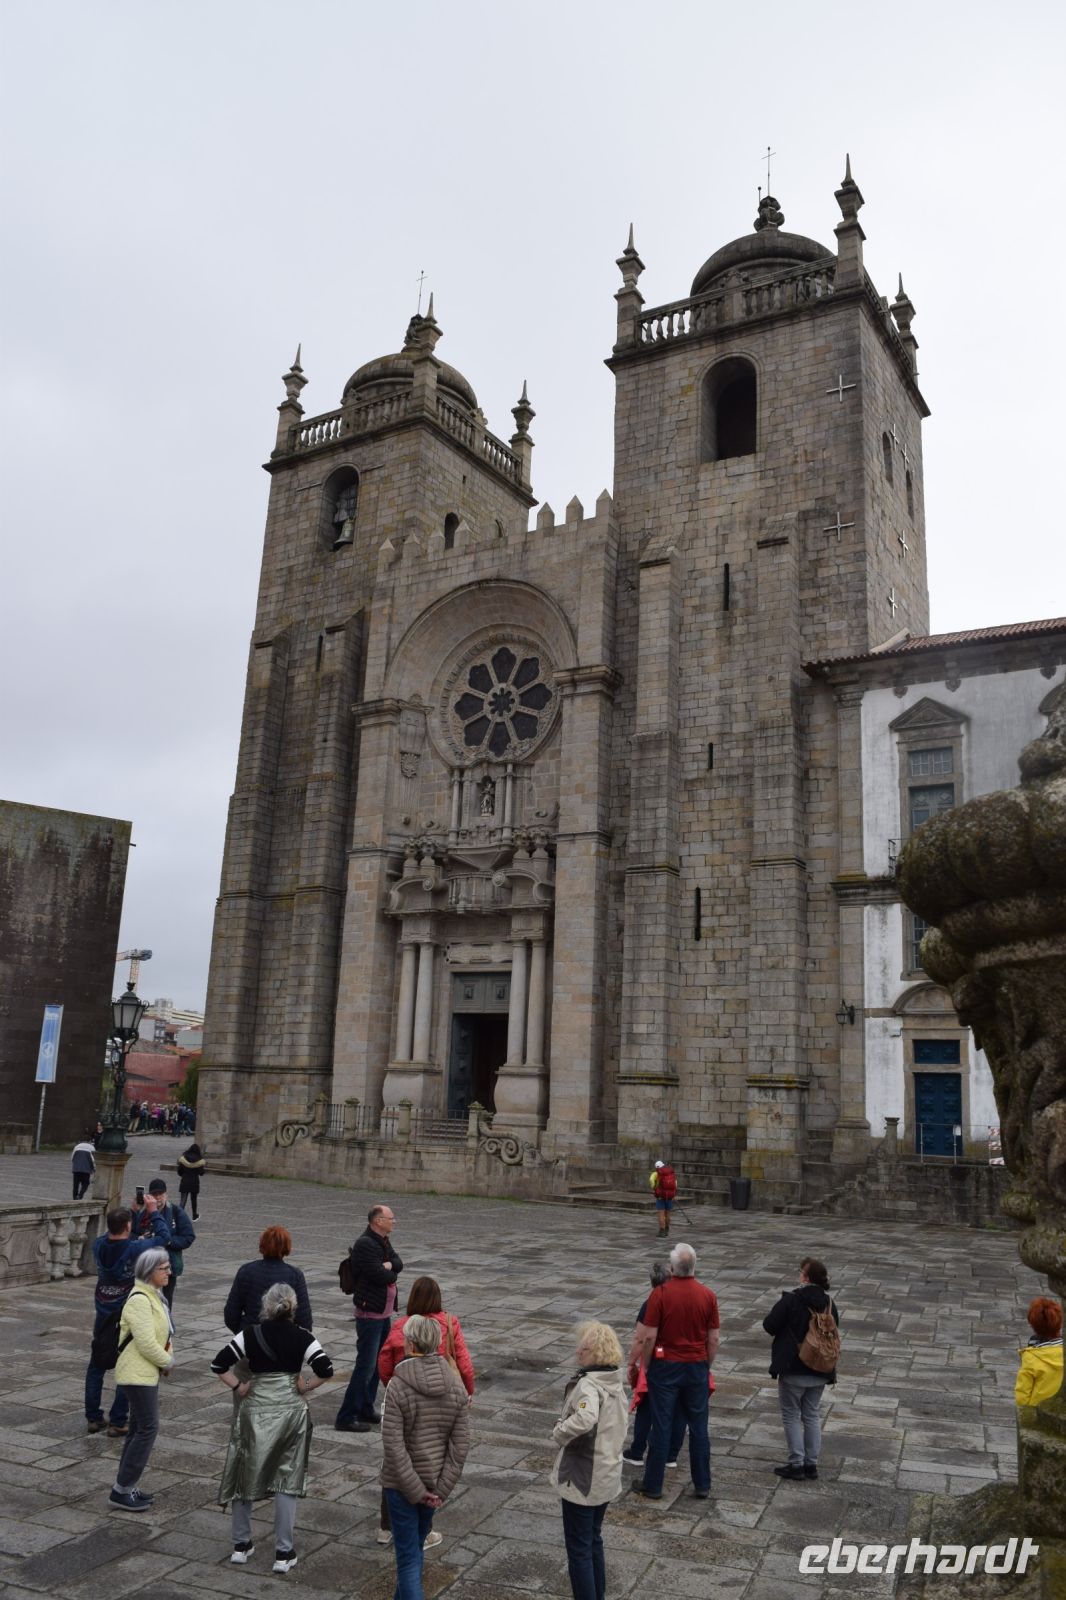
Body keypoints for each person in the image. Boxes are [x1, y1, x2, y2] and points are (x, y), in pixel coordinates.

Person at [212, 1282, 334, 1572]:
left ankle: (241, 1546)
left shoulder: (250, 1334)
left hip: (255, 1410)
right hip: (291, 1411)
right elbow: (326, 1370)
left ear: (266, 1306)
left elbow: (218, 1365)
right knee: (286, 1480)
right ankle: (283, 1553)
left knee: (245, 1472)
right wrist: (304, 1385)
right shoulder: (303, 1336)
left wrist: (240, 1386)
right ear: (293, 1307)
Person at [377, 1276, 474, 1551]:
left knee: (393, 1461)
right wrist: (468, 1390)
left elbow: (383, 1360)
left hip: (402, 1394)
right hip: (442, 1397)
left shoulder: (400, 1326)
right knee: (432, 1455)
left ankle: (385, 1527)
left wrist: (392, 1385)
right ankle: (425, 1526)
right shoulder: (449, 1323)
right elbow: (464, 1362)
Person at [381, 1315, 469, 1600]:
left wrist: (414, 1490)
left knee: (407, 1560)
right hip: (433, 1484)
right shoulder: (456, 1386)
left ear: (410, 1343)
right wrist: (439, 1489)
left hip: (402, 1486)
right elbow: (460, 1445)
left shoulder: (397, 1385)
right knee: (414, 1551)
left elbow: (392, 1444)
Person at [627, 1242, 718, 1501]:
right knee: (699, 1427)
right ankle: (702, 1484)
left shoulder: (661, 1294)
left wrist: (647, 1364)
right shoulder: (708, 1295)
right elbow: (713, 1339)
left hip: (666, 1366)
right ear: (693, 1266)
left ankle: (653, 1484)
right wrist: (705, 1365)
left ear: (672, 1267)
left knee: (662, 1424)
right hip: (696, 1365)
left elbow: (648, 1337)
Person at [551, 1321, 628, 1600]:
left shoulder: (588, 1384)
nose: (577, 1350)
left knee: (579, 1549)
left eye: (581, 1345)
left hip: (583, 1478)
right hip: (607, 1473)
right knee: (593, 1539)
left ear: (590, 1350)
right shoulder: (615, 1382)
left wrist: (560, 1432)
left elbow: (585, 1418)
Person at [86, 1202, 173, 1436]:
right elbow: (164, 1237)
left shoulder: (98, 1245)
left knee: (96, 1364)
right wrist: (153, 1211)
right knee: (127, 1362)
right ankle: (117, 1420)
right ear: (127, 1226)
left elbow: (111, 1236)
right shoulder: (134, 1248)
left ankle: (93, 1418)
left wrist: (129, 1215)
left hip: (103, 1307)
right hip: (126, 1312)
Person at [762, 1256, 840, 1480]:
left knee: (790, 1415)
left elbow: (769, 1325)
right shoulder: (829, 1303)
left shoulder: (792, 1299)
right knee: (812, 1415)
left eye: (800, 1271)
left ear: (805, 1277)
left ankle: (796, 1464)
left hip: (794, 1367)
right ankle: (811, 1465)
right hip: (820, 1368)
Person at [108, 1247, 173, 1511]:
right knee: (148, 1428)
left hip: (146, 1371)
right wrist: (167, 1361)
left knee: (137, 1429)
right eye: (164, 1268)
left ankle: (125, 1487)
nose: (169, 1271)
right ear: (149, 1272)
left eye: (169, 1266)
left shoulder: (155, 1296)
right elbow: (146, 1342)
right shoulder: (139, 1299)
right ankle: (122, 1489)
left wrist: (166, 1358)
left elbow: (164, 1334)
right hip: (136, 1373)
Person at [335, 1203, 403, 1433]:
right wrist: (390, 1269)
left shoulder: (382, 1240)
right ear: (378, 1221)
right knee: (365, 1366)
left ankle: (365, 1406)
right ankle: (346, 1415)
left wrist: (390, 1266)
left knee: (377, 1364)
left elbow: (399, 1263)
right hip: (370, 1312)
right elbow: (379, 1274)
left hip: (383, 1313)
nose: (394, 1221)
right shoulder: (365, 1244)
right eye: (391, 1217)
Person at [623, 1263, 687, 1469]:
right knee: (678, 1409)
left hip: (659, 1361)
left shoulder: (650, 1303)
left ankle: (637, 1451)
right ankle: (671, 1455)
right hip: (686, 1362)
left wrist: (632, 1363)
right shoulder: (687, 1301)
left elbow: (641, 1339)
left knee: (647, 1407)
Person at [225, 1225, 313, 1335]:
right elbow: (304, 1321)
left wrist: (244, 1332)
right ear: (286, 1247)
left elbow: (231, 1315)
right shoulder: (295, 1275)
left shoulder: (246, 1271)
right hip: (283, 1339)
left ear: (262, 1245)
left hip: (251, 1336)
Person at [131, 1178, 195, 1309]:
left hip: (168, 1264)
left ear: (166, 1194)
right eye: (154, 1194)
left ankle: (165, 1325)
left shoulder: (176, 1212)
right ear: (148, 1196)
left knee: (165, 1301)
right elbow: (131, 1233)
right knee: (145, 1299)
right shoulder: (143, 1214)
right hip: (147, 1264)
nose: (158, 1197)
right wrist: (140, 1238)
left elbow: (189, 1236)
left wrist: (169, 1241)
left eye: (161, 1194)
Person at [1015, 1297, 1063, 1408]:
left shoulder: (1031, 1358)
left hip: (1039, 1410)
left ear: (1033, 1325)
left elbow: (1023, 1392)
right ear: (1060, 1322)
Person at [177, 1143, 206, 1219]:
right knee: (194, 1199)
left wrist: (184, 1174)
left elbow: (179, 1171)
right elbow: (201, 1173)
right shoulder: (199, 1160)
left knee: (183, 1200)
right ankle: (194, 1215)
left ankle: (179, 1216)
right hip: (194, 1182)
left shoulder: (183, 1159)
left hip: (185, 1181)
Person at [649, 1159, 677, 1236]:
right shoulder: (670, 1173)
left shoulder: (655, 1174)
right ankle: (667, 1229)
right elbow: (675, 1183)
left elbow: (651, 1180)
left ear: (656, 1167)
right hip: (670, 1196)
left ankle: (662, 1231)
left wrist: (654, 1187)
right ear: (663, 1165)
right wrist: (672, 1193)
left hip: (660, 1196)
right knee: (668, 1214)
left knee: (661, 1214)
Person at [71, 1133, 96, 1199]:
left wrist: (75, 1165)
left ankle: (74, 1198)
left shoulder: (77, 1146)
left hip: (76, 1169)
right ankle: (80, 1195)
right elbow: (93, 1160)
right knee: (85, 1183)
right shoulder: (92, 1148)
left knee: (75, 1185)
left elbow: (72, 1157)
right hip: (86, 1170)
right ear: (89, 1141)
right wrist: (94, 1169)